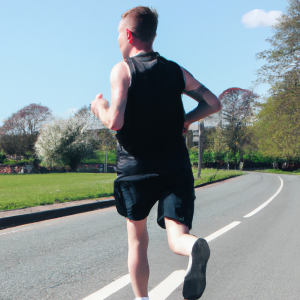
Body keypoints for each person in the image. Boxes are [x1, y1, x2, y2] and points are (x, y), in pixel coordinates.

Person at [91, 6, 222, 300]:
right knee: (177, 237)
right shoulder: (176, 70)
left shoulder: (123, 69)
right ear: (153, 36)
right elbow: (213, 103)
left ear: (127, 34)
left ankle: (142, 299)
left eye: (117, 35)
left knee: (137, 239)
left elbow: (115, 122)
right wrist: (187, 119)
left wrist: (98, 107)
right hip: (175, 167)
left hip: (136, 169)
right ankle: (193, 246)